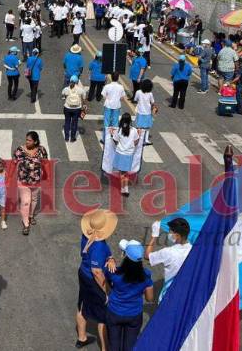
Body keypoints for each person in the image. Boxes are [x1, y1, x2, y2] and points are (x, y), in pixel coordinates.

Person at [76, 209, 118, 351]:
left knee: (82, 306)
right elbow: (97, 271)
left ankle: (82, 338)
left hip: (83, 273)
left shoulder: (86, 235)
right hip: (93, 280)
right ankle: (105, 348)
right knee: (103, 317)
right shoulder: (99, 246)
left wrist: (110, 257)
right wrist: (106, 290)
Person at [105, 240, 154, 351]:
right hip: (134, 315)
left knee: (113, 344)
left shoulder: (114, 273)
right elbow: (149, 298)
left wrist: (110, 259)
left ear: (124, 255)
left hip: (114, 312)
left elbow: (105, 279)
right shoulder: (146, 276)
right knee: (130, 345)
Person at [145, 218, 191, 302]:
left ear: (177, 235)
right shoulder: (193, 250)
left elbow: (147, 255)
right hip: (185, 294)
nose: (168, 233)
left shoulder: (168, 252)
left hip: (168, 296)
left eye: (170, 231)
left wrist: (154, 237)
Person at [12, 131, 49, 235]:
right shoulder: (20, 150)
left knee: (34, 199)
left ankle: (31, 216)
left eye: (29, 140)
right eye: (26, 140)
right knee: (26, 202)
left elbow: (45, 162)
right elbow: (14, 163)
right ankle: (26, 224)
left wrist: (44, 172)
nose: (27, 142)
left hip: (36, 180)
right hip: (23, 181)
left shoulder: (41, 150)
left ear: (35, 141)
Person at [108, 113, 140, 197]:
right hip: (129, 154)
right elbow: (136, 141)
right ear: (130, 120)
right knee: (125, 172)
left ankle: (124, 188)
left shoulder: (119, 130)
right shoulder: (134, 131)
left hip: (120, 153)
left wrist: (112, 134)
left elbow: (115, 140)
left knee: (122, 172)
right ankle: (125, 188)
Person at [101, 73, 126, 143]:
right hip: (117, 106)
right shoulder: (121, 87)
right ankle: (114, 138)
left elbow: (103, 95)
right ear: (118, 78)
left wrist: (108, 99)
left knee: (106, 122)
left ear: (111, 77)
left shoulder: (107, 86)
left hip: (108, 105)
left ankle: (104, 138)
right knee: (115, 122)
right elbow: (122, 98)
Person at [62, 76, 87, 143]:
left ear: (70, 81)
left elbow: (63, 96)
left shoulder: (66, 89)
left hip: (67, 108)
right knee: (74, 123)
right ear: (77, 81)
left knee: (67, 122)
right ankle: (73, 138)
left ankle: (66, 137)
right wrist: (84, 105)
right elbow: (84, 99)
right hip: (77, 109)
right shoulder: (81, 90)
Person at [133, 79, 155, 145]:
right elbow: (152, 102)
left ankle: (137, 138)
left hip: (140, 111)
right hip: (147, 112)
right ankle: (146, 140)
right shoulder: (150, 94)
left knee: (139, 126)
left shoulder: (138, 92)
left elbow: (135, 99)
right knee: (147, 127)